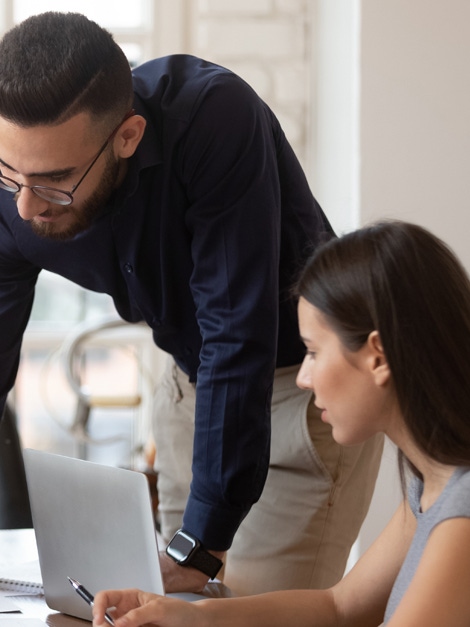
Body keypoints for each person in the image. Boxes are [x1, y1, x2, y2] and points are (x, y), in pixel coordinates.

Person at [0, 12, 383, 595]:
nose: (26, 207)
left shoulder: (213, 119)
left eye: (55, 181)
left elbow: (237, 332)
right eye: (10, 174)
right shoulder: (18, 177)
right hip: (187, 390)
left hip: (300, 397)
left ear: (127, 137)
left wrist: (199, 545)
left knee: (255, 615)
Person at [92, 219, 470, 626]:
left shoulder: (461, 512)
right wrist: (192, 616)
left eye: (312, 352)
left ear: (378, 357)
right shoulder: (429, 481)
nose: (304, 378)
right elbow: (340, 607)